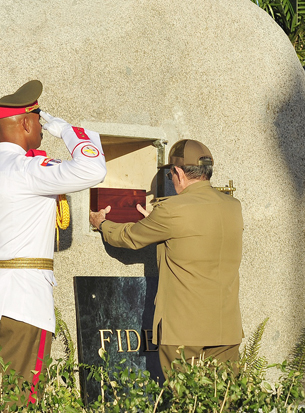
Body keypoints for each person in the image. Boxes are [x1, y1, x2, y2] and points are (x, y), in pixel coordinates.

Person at [0, 80, 107, 403]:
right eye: (39, 119)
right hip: (23, 303)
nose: (41, 126)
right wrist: (65, 129)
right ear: (26, 123)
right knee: (22, 401)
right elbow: (93, 168)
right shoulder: (30, 169)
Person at [89, 139, 244, 377]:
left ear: (179, 173)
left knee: (184, 401)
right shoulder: (233, 206)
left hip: (185, 331)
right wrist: (157, 221)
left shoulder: (172, 209)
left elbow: (129, 237)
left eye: (171, 174)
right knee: (223, 400)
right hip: (227, 329)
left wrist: (102, 224)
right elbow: (196, 232)